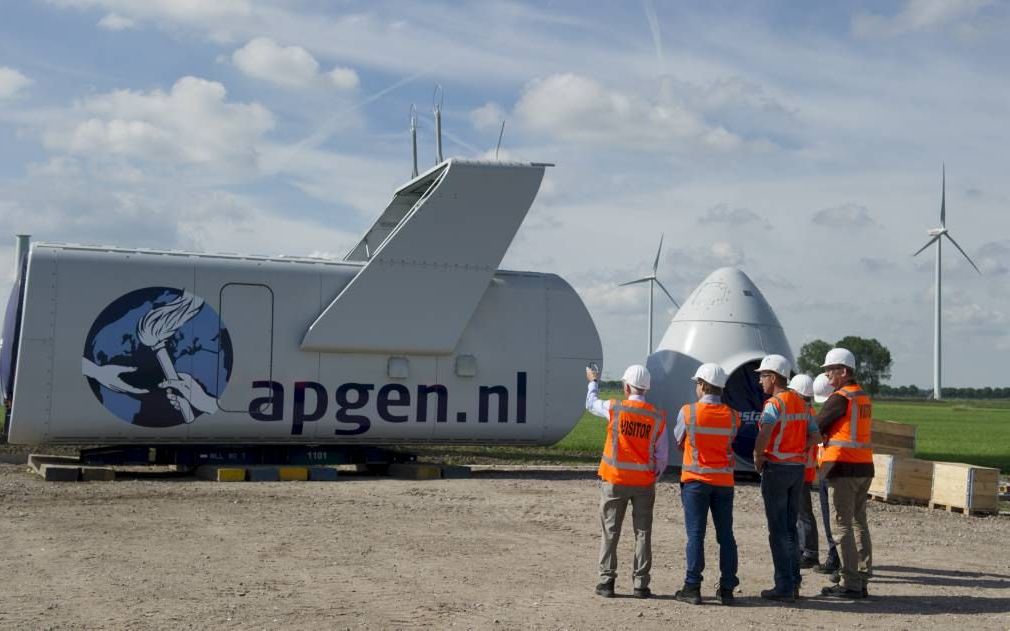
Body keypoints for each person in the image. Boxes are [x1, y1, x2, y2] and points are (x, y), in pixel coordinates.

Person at [585, 363, 668, 599]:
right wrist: (653, 476)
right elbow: (662, 457)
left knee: (610, 532)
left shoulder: (615, 408)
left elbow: (591, 404)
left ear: (627, 386)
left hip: (614, 480)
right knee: (643, 533)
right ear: (646, 388)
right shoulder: (656, 416)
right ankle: (641, 585)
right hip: (644, 483)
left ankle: (606, 581)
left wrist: (593, 381)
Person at [752, 355, 820, 602]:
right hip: (797, 470)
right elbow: (817, 436)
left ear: (773, 377)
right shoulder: (802, 404)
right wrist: (798, 450)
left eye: (762, 376)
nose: (760, 381)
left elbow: (765, 434)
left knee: (778, 530)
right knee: (790, 528)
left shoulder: (774, 404)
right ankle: (793, 582)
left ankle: (783, 586)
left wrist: (759, 457)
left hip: (777, 469)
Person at [672, 363, 740, 606]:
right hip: (723, 482)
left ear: (702, 384)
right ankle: (728, 588)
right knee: (726, 536)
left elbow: (679, 440)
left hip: (695, 482)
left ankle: (692, 587)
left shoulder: (688, 412)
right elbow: (729, 441)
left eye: (697, 384)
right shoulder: (733, 416)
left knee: (695, 535)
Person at [816, 348, 874, 599]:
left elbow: (816, 425)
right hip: (864, 466)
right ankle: (861, 577)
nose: (827, 373)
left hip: (843, 468)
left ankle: (849, 583)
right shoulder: (862, 397)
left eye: (830, 369)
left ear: (844, 371)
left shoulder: (840, 398)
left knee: (843, 526)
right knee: (859, 523)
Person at [810, 373, 840, 576]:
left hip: (832, 469)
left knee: (833, 518)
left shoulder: (834, 413)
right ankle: (836, 556)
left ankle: (835, 557)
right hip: (828, 467)